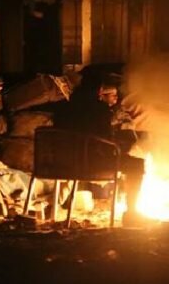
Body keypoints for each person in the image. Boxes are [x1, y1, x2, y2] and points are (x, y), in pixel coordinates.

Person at [54, 79, 146, 225]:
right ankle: (132, 214)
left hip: (66, 162)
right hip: (91, 164)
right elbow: (103, 143)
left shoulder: (63, 108)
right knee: (136, 163)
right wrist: (119, 149)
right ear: (99, 93)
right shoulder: (100, 110)